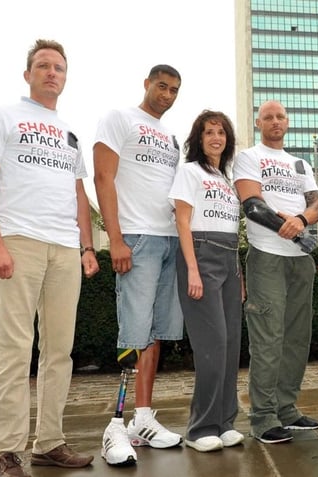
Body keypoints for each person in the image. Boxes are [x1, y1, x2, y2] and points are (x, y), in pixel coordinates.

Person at [0, 39, 98, 477]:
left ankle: (49, 443)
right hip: (18, 241)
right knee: (14, 349)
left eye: (59, 67)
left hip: (65, 249)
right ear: (28, 74)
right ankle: (3, 451)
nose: (51, 73)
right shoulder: (1, 117)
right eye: (43, 66)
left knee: (59, 351)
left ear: (65, 77)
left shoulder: (71, 133)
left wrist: (86, 246)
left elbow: (79, 194)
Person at [94, 64, 184, 465]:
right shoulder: (119, 118)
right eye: (161, 86)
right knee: (133, 331)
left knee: (156, 332)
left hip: (168, 240)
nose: (166, 94)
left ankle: (142, 417)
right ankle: (114, 427)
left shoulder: (171, 137)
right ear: (147, 84)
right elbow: (102, 177)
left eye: (174, 90)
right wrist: (115, 238)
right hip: (136, 237)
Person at [233, 100, 318, 444]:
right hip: (267, 256)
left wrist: (301, 221)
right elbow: (252, 205)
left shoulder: (300, 162)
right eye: (268, 117)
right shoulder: (250, 157)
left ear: (287, 122)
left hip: (300, 259)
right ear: (259, 122)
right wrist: (289, 227)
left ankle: (287, 408)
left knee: (297, 338)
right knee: (268, 339)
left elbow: (316, 203)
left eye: (280, 116)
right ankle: (263, 416)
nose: (275, 121)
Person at [169, 110, 244, 453]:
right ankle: (200, 428)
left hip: (229, 259)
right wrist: (193, 269)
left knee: (230, 345)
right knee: (212, 345)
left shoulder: (225, 178)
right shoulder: (189, 172)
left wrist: (237, 274)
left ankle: (225, 421)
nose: (216, 138)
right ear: (198, 139)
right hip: (201, 255)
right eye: (209, 132)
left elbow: (233, 230)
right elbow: (182, 222)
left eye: (221, 133)